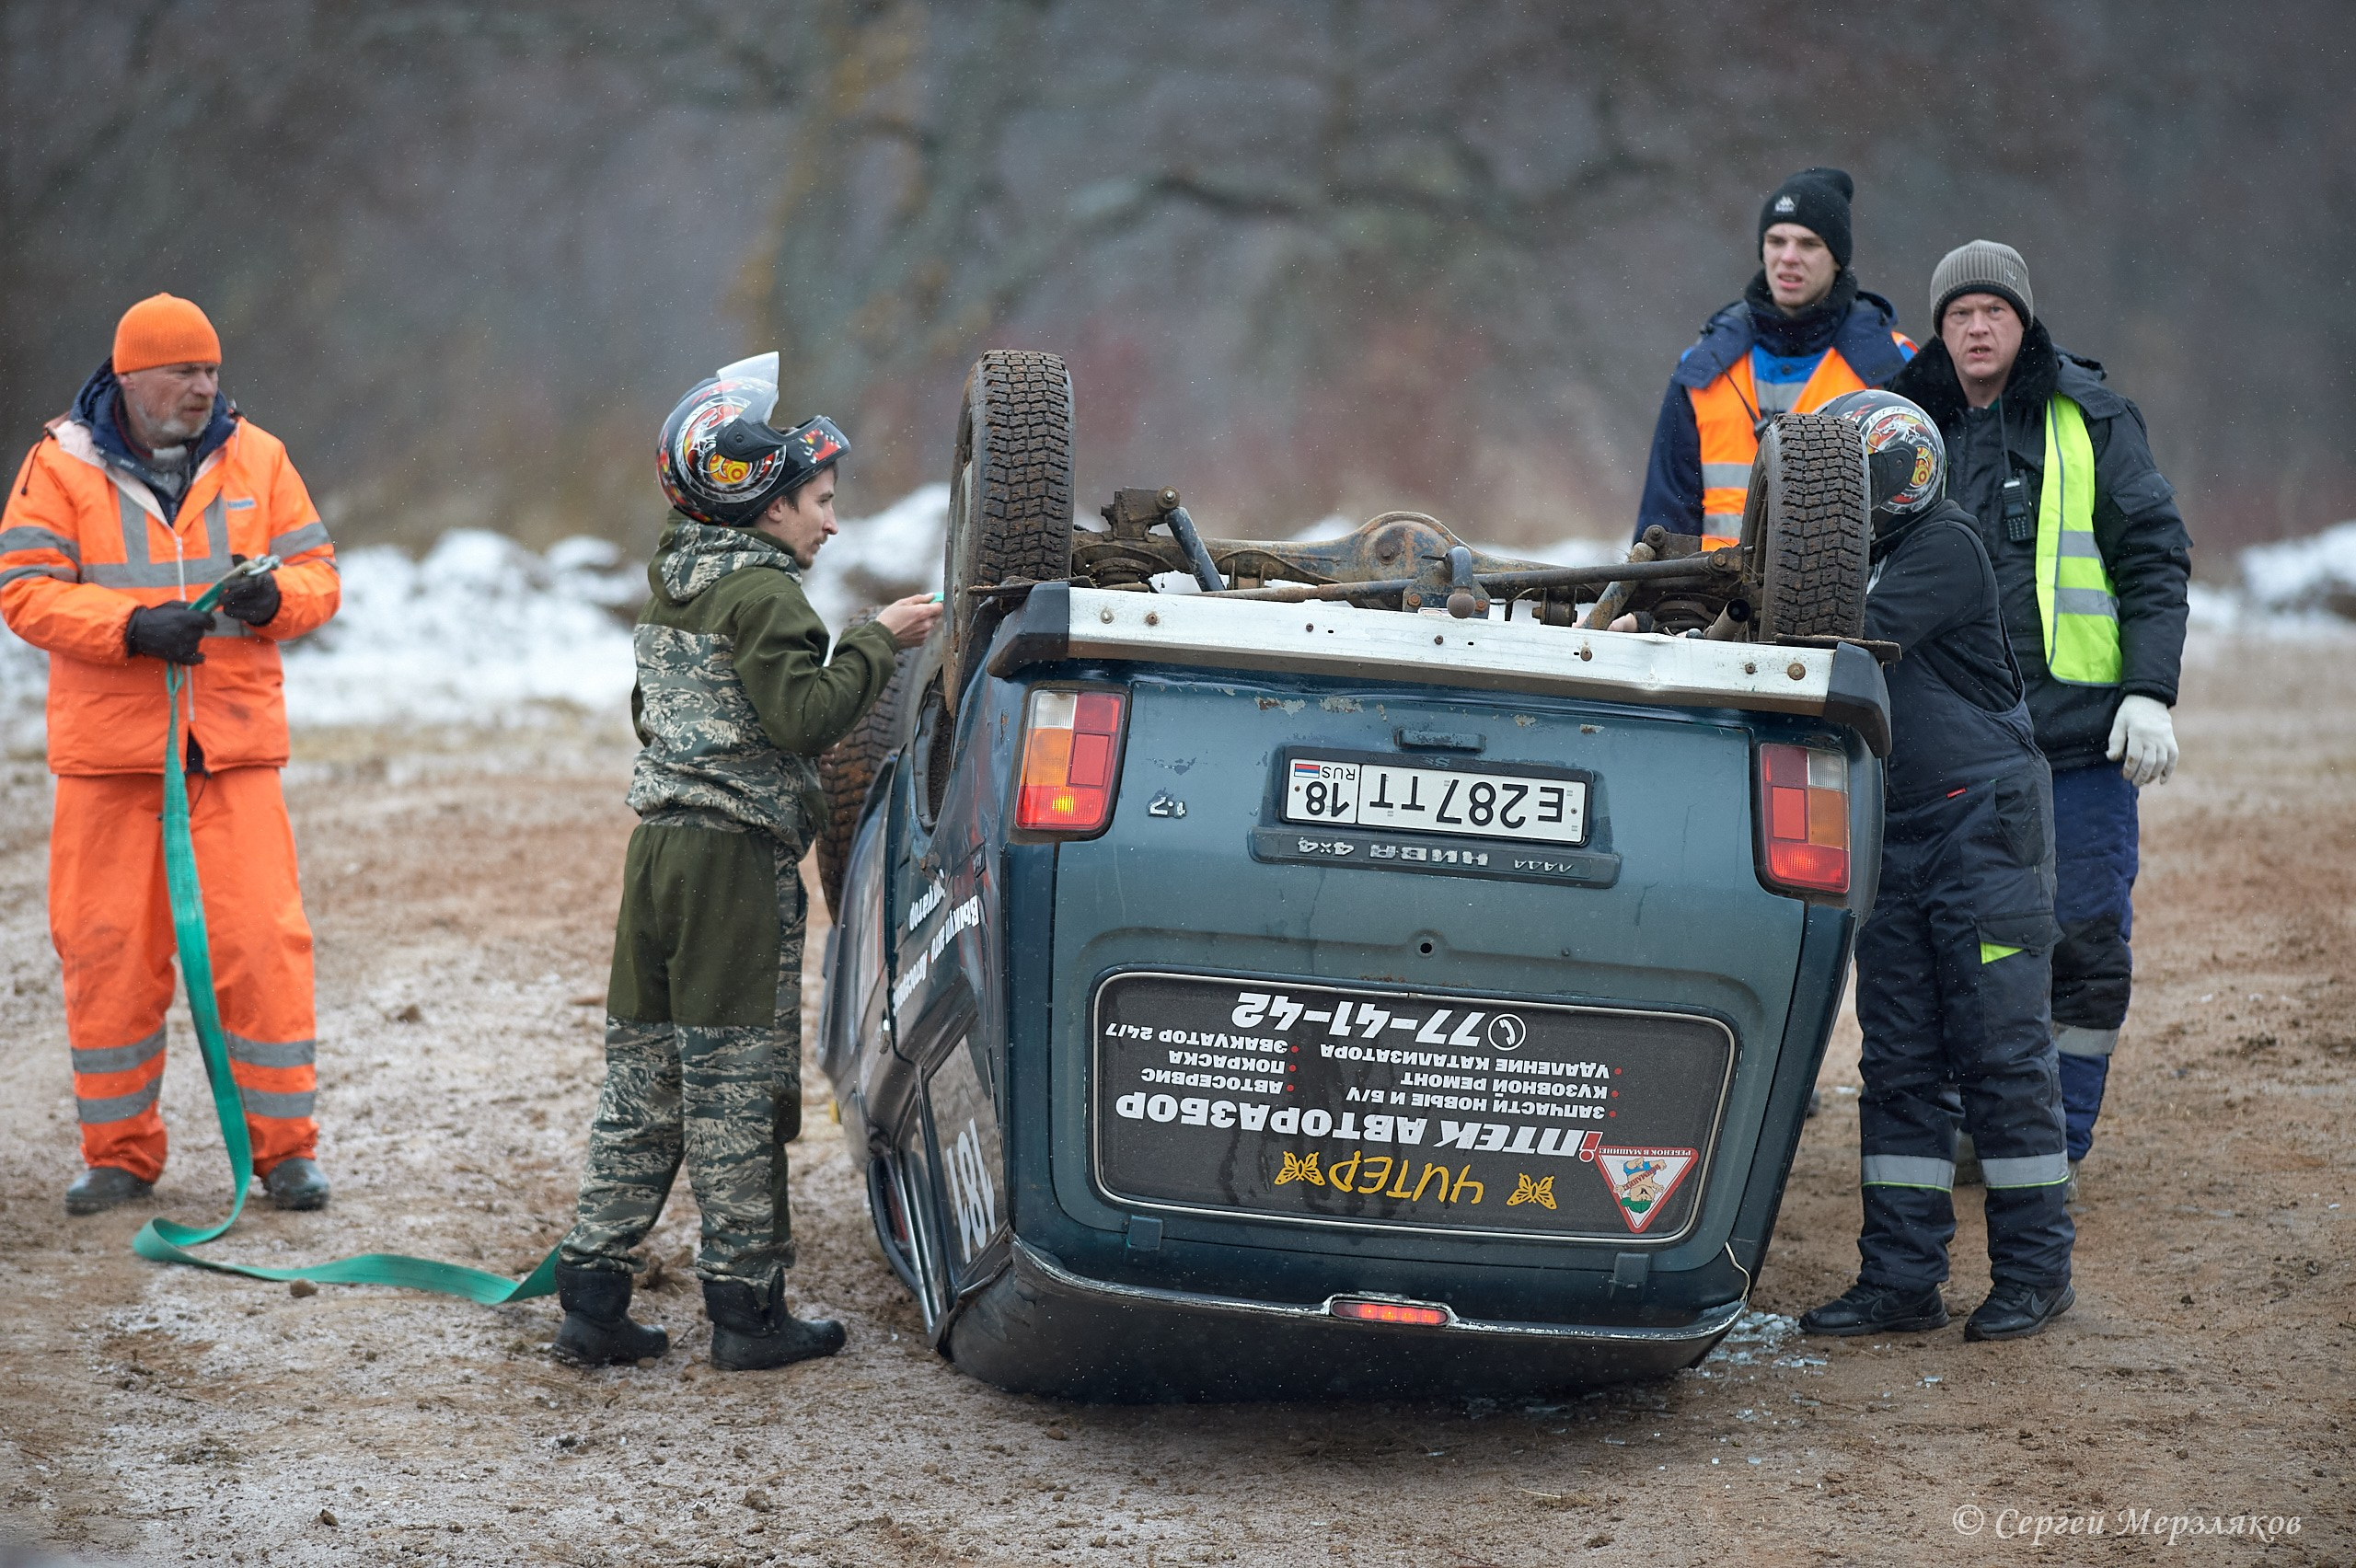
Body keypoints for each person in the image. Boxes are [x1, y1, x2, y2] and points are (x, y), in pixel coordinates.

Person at [551, 354, 941, 1371]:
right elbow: (804, 717)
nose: (831, 522)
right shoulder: (769, 600)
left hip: (658, 859)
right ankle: (747, 1311)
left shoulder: (674, 589)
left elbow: (655, 719)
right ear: (764, 508)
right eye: (818, 501)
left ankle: (590, 1298)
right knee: (733, 1085)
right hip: (730, 868)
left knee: (643, 1081)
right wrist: (876, 642)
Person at [0, 294, 341, 1216]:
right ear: (130, 377)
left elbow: (319, 574)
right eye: (184, 371)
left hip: (228, 750)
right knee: (108, 951)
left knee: (265, 948)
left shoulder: (258, 458)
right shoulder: (56, 467)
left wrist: (281, 604)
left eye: (211, 371)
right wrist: (127, 628)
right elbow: (23, 593)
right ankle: (118, 1156)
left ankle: (287, 1156)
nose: (203, 387)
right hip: (112, 759)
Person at [1888, 243, 2191, 1190]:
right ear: (1938, 329)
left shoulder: (2090, 417)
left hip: (2076, 745)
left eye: (1993, 312)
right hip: (1942, 749)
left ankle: (2049, 1138)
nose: (1976, 329)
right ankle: (1965, 1126)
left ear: (2023, 322)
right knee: (1952, 948)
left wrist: (2149, 689)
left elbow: (2151, 556)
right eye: (1958, 315)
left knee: (2082, 939)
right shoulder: (1898, 430)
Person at [1798, 390, 2075, 1343]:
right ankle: (1900, 1282)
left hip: (1983, 837)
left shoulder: (1942, 550)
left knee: (2001, 1057)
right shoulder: (1871, 561)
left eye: (1847, 482)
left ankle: (2037, 1273)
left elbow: (1836, 643)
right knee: (1903, 1064)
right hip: (1900, 834)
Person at [1634, 167, 1915, 550]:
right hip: (1708, 604)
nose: (1788, 257)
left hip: (1847, 606)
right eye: (1776, 240)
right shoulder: (1703, 366)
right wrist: (1653, 609)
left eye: (1808, 243)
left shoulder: (1893, 366)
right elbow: (1661, 525)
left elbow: (1916, 520)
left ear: (1837, 257)